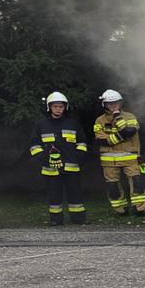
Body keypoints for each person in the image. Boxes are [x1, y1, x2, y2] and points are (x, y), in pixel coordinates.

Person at [30, 91, 89, 226]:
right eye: (55, 106)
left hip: (71, 166)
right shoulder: (41, 125)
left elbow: (82, 142)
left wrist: (78, 156)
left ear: (65, 107)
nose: (58, 109)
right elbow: (34, 144)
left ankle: (78, 219)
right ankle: (56, 220)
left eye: (60, 106)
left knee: (75, 194)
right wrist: (41, 157)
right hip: (50, 168)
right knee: (54, 195)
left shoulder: (73, 124)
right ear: (49, 107)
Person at [92, 89, 145, 217]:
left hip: (130, 157)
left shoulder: (129, 116)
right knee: (113, 187)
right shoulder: (99, 121)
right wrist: (121, 136)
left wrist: (118, 118)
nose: (113, 106)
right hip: (109, 160)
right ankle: (120, 210)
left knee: (137, 183)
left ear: (121, 103)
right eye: (110, 103)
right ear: (104, 105)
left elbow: (130, 131)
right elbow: (102, 141)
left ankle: (140, 209)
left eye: (116, 103)